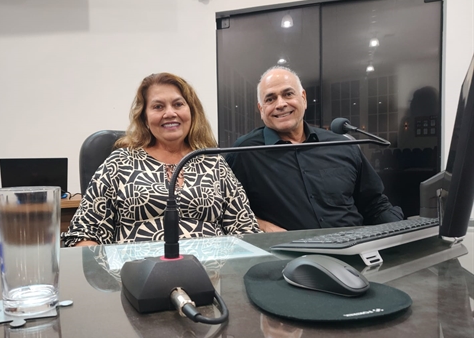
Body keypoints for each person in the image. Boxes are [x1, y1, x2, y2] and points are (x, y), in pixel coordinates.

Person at [63, 72, 260, 247]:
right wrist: (105, 274)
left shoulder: (213, 162)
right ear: (144, 118)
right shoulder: (119, 163)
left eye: (178, 104)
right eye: (158, 106)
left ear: (191, 111)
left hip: (210, 274)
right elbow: (84, 233)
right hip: (135, 274)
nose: (170, 113)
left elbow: (246, 230)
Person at [226, 66, 403, 232]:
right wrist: (263, 226)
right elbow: (225, 211)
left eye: (288, 94)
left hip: (354, 247)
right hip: (289, 253)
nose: (280, 104)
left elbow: (375, 205)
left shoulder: (341, 145)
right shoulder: (244, 152)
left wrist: (402, 234)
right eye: (270, 99)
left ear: (303, 98)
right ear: (261, 109)